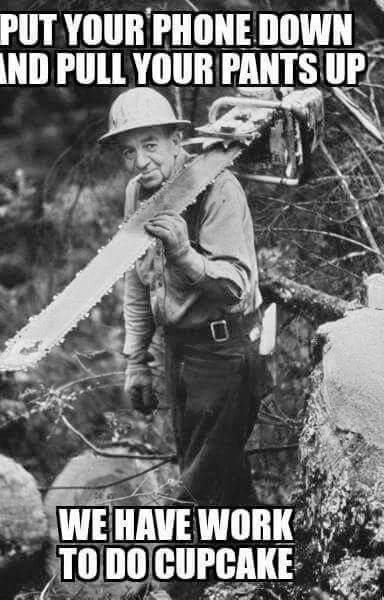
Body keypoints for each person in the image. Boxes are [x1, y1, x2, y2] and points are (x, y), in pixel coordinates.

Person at [100, 87, 271, 508]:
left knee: (195, 492)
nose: (140, 161)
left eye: (150, 145)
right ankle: (255, 544)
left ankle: (172, 554)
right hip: (180, 354)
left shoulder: (219, 189)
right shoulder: (137, 192)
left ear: (177, 141)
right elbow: (138, 279)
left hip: (226, 353)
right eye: (128, 151)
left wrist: (184, 255)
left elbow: (235, 286)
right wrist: (137, 361)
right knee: (223, 485)